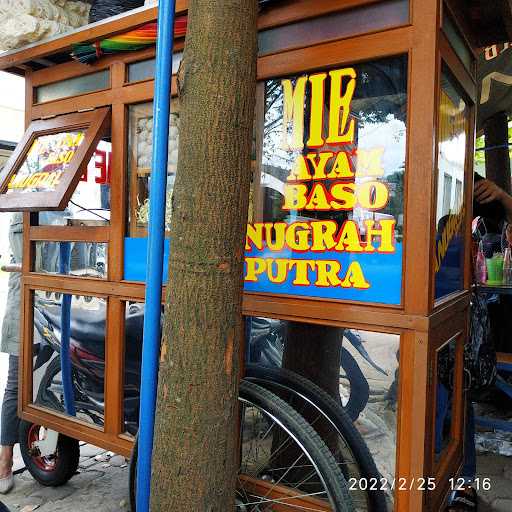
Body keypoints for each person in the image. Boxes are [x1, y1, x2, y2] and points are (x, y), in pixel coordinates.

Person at [447, 175, 512, 511]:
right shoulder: (445, 225)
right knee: (449, 400)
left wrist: (502, 196)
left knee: (456, 399)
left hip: (466, 330)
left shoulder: (487, 230)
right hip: (439, 329)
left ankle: (463, 482)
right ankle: (455, 481)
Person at [0, 213, 22, 494]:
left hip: (55, 301)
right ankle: (5, 459)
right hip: (25, 305)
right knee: (16, 384)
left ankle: (37, 446)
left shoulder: (66, 212)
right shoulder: (25, 212)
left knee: (46, 384)